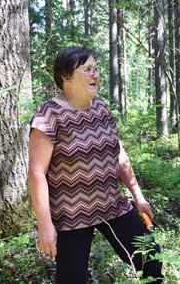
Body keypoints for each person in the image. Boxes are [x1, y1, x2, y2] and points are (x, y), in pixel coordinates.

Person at [28, 46, 163, 283]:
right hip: (71, 215)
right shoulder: (49, 115)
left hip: (113, 206)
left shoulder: (101, 108)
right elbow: (37, 173)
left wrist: (138, 196)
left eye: (96, 69)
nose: (95, 75)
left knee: (150, 257)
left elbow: (118, 154)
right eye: (88, 69)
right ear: (66, 76)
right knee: (73, 280)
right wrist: (45, 225)